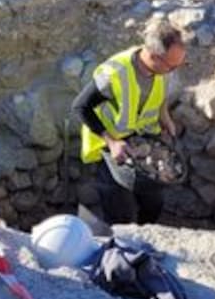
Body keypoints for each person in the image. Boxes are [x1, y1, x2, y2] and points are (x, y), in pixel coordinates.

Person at [72, 19, 185, 225]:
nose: (174, 70)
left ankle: (146, 236)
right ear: (153, 56)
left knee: (154, 203)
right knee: (119, 210)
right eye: (171, 66)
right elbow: (80, 107)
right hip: (110, 147)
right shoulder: (116, 72)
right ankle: (121, 244)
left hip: (142, 141)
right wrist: (112, 142)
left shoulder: (163, 69)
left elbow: (157, 96)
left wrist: (164, 116)